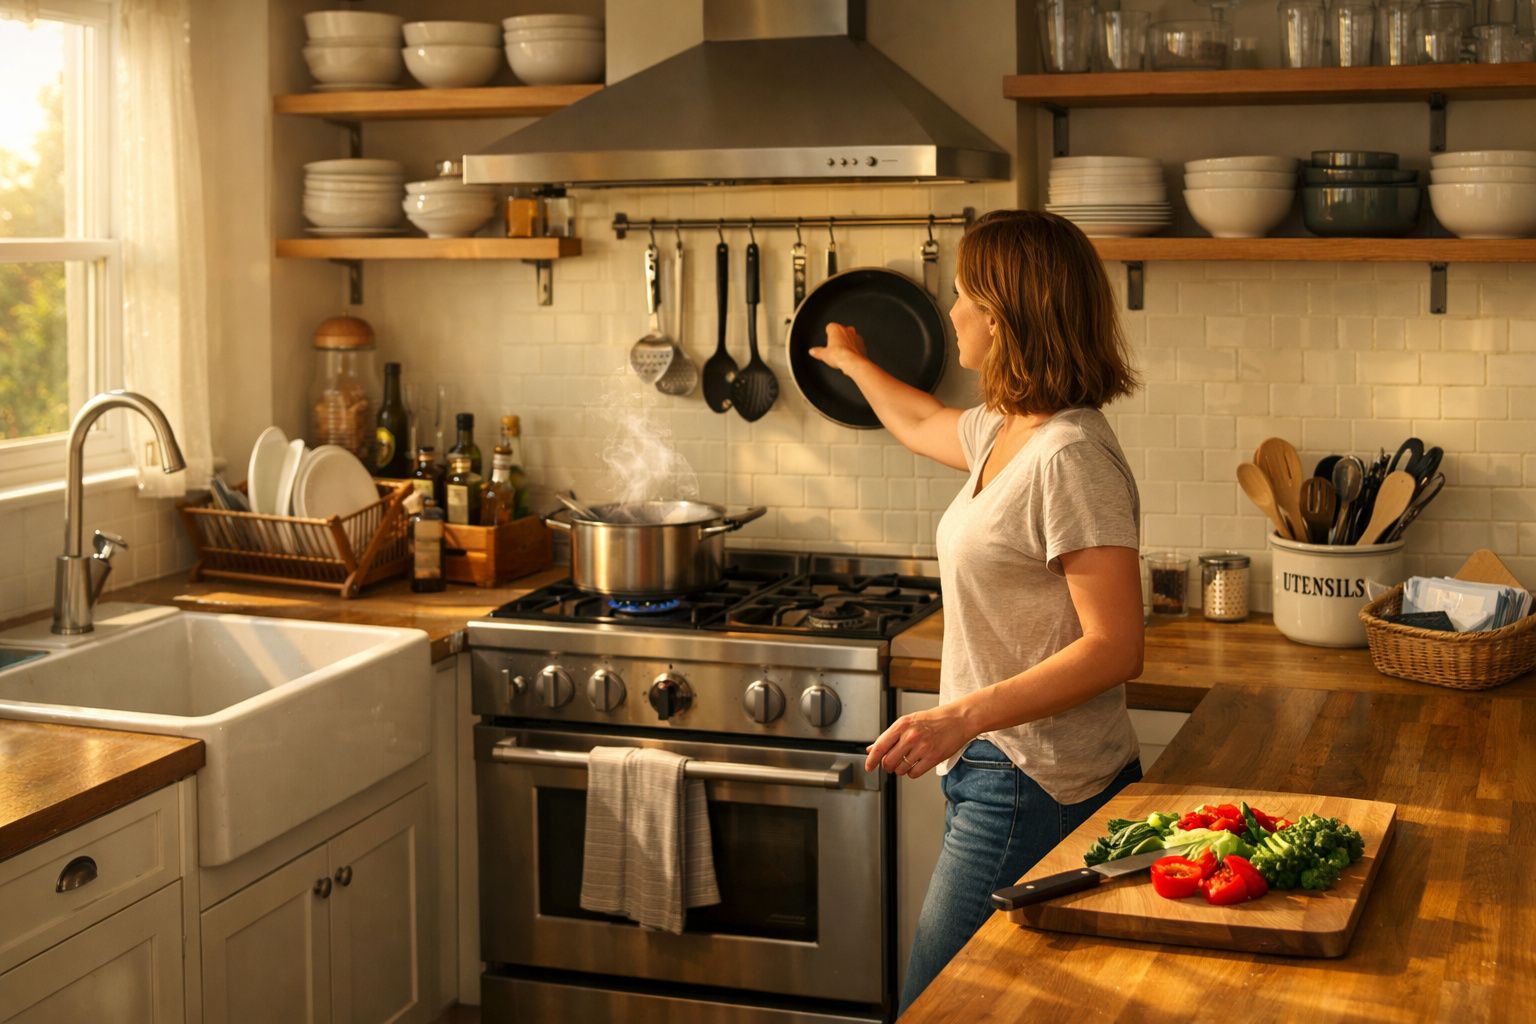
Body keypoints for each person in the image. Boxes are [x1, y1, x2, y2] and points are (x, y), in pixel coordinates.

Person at [808, 209, 1146, 1014]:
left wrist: (960, 718)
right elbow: (921, 418)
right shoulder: (1009, 429)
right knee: (1010, 1005)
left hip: (1034, 776)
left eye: (962, 295)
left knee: (936, 1004)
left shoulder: (1070, 457)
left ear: (1000, 316)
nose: (951, 311)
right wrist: (852, 364)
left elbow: (1116, 645)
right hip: (997, 768)